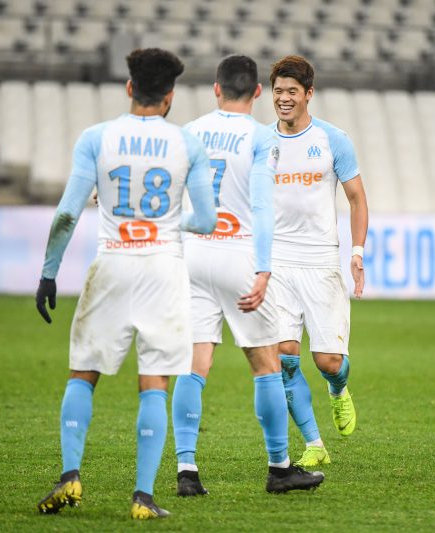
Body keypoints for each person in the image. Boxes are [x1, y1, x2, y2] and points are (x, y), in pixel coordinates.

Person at [34, 48, 217, 520]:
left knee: (83, 372)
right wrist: (170, 223)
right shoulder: (187, 145)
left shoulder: (96, 138)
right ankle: (143, 497)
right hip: (163, 268)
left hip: (113, 262)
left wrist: (49, 272)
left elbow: (67, 213)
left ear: (130, 87)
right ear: (170, 97)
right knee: (154, 381)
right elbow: (207, 220)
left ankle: (70, 475)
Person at [171, 54, 325, 495]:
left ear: (216, 90)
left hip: (193, 254)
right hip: (237, 253)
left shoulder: (190, 131)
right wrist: (263, 269)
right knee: (266, 364)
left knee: (194, 364)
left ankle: (187, 470)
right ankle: (280, 468)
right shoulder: (261, 137)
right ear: (258, 92)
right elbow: (260, 206)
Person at [268, 55, 368, 467]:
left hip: (320, 261)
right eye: (278, 91)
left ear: (308, 94)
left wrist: (356, 252)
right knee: (284, 357)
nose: (284, 98)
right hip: (277, 262)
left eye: (292, 91)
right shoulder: (262, 142)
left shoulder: (332, 140)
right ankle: (314, 444)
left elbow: (357, 198)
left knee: (329, 362)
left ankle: (337, 388)